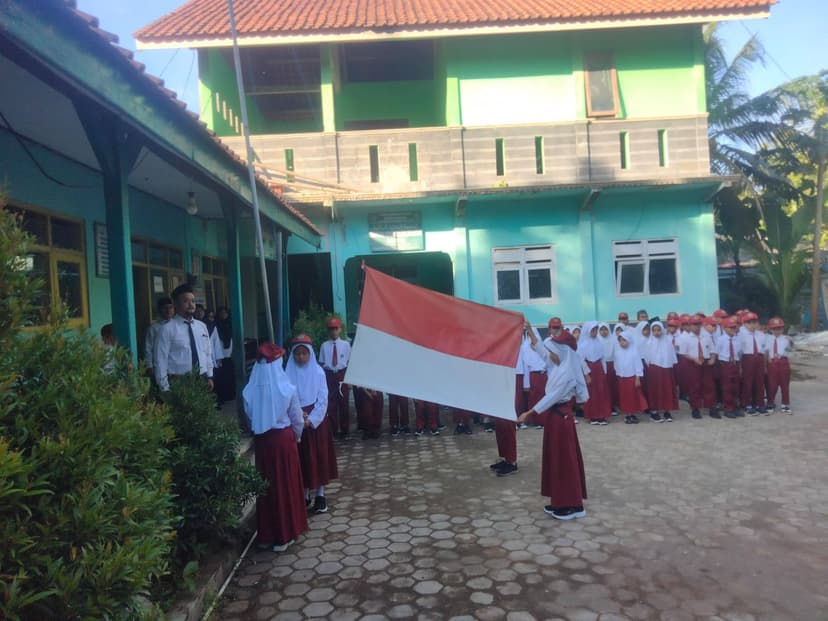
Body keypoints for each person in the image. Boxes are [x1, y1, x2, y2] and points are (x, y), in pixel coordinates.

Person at [518, 322, 587, 520]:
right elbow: (541, 351)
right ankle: (559, 499)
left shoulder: (567, 373)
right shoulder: (557, 364)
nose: (551, 354)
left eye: (554, 350)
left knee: (564, 462)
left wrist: (528, 413)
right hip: (555, 419)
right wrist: (530, 329)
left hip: (561, 418)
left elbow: (552, 397)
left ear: (564, 351)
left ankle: (571, 504)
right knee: (556, 460)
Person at [243, 342, 307, 552]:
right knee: (284, 487)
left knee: (266, 488)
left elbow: (252, 415)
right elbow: (297, 419)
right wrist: (296, 437)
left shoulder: (250, 391)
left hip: (263, 442)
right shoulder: (287, 389)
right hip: (283, 441)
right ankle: (284, 535)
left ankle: (266, 536)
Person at [285, 334, 337, 514]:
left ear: (310, 354)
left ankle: (320, 495)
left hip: (316, 423)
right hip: (297, 420)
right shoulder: (287, 373)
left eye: (304, 353)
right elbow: (287, 398)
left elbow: (323, 399)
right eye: (297, 354)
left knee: (319, 457)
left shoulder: (318, 372)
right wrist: (298, 416)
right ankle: (305, 494)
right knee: (303, 460)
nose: (301, 357)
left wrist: (311, 420)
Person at [154, 284, 214, 392]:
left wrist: (209, 375)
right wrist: (164, 388)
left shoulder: (201, 327)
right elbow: (160, 360)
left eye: (193, 301)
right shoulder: (167, 329)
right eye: (186, 301)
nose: (191, 305)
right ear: (176, 304)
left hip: (202, 379)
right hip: (179, 382)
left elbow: (207, 352)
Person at [318, 317, 352, 439]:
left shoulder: (346, 345)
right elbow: (322, 364)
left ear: (340, 330)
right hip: (329, 375)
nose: (334, 331)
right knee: (331, 404)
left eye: (336, 329)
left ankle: (345, 431)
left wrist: (349, 380)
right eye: (331, 329)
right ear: (328, 331)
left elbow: (349, 362)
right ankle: (333, 430)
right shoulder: (324, 346)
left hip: (341, 374)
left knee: (344, 403)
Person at [679, 316, 717, 419]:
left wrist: (712, 358)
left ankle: (711, 408)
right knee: (694, 387)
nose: (696, 327)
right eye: (694, 324)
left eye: (698, 324)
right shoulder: (685, 338)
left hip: (705, 362)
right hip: (693, 363)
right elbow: (683, 353)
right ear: (690, 326)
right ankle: (695, 409)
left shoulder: (706, 336)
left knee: (709, 386)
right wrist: (694, 359)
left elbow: (713, 349)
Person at [578, 321, 611, 426]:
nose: (595, 332)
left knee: (601, 392)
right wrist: (587, 374)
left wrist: (604, 371)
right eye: (593, 330)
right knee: (591, 393)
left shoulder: (598, 342)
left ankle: (602, 415)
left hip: (599, 369)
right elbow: (581, 360)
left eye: (596, 330)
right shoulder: (583, 344)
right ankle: (593, 416)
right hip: (590, 369)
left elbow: (602, 358)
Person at [644, 321, 678, 422]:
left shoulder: (667, 341)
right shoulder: (649, 342)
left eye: (658, 330)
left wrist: (668, 366)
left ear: (662, 330)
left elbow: (672, 356)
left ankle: (667, 411)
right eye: (654, 330)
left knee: (667, 389)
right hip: (654, 370)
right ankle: (654, 412)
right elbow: (647, 358)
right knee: (655, 390)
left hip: (666, 369)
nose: (657, 332)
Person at [613, 329, 648, 424]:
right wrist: (618, 374)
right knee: (625, 396)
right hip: (622, 378)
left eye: (624, 340)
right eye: (620, 341)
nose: (622, 343)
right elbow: (616, 364)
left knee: (633, 396)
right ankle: (627, 414)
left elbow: (638, 365)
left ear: (629, 340)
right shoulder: (617, 352)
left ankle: (633, 414)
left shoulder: (634, 352)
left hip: (632, 378)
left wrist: (637, 378)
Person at [739, 311, 767, 415]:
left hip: (758, 358)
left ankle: (759, 404)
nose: (752, 325)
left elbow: (763, 351)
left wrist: (764, 365)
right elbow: (740, 352)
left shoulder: (760, 334)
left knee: (759, 382)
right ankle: (747, 404)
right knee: (747, 382)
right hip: (747, 358)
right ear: (744, 323)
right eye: (749, 322)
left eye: (754, 322)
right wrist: (740, 367)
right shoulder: (741, 334)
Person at [716, 317, 743, 418]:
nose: (733, 329)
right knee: (727, 387)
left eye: (734, 327)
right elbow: (717, 353)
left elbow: (739, 353)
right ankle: (728, 408)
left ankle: (735, 406)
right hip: (725, 364)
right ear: (725, 328)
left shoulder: (737, 339)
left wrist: (739, 366)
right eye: (730, 328)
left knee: (736, 387)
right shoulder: (720, 339)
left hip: (735, 363)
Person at [765, 317, 792, 414]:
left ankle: (785, 404)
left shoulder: (786, 339)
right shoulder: (767, 338)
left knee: (785, 385)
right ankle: (770, 403)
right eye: (774, 329)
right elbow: (766, 351)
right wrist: (767, 362)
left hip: (783, 362)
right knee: (772, 385)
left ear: (783, 329)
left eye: (779, 328)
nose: (777, 331)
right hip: (772, 363)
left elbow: (790, 351)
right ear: (770, 329)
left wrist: (791, 343)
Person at [144, 296, 174, 377]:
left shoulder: (178, 326)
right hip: (159, 366)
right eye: (165, 308)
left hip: (176, 366)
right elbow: (148, 349)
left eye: (170, 307)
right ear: (160, 310)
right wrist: (149, 366)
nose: (168, 311)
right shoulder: (154, 328)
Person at [212, 307, 236, 406]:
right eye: (221, 313)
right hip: (220, 356)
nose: (223, 315)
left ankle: (231, 395)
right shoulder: (216, 326)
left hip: (230, 355)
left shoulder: (231, 324)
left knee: (230, 377)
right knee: (221, 378)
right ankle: (223, 396)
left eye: (225, 313)